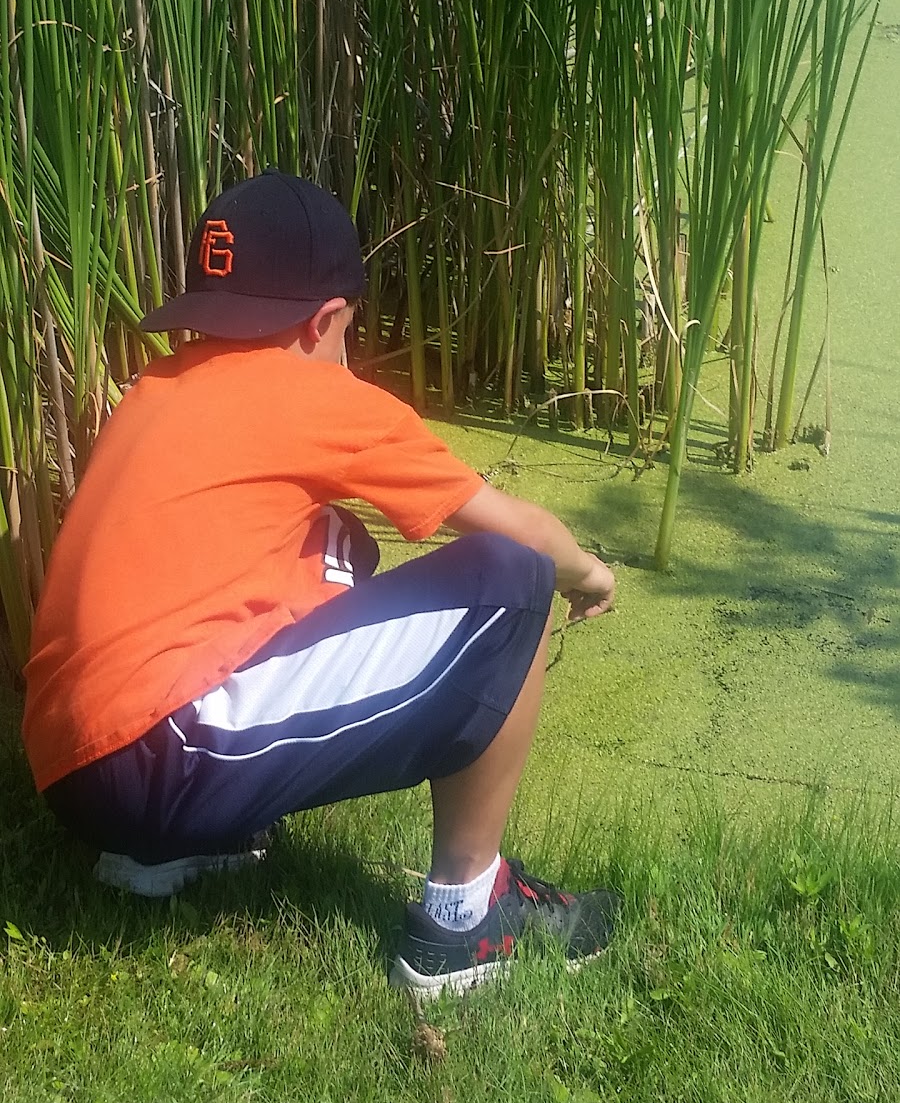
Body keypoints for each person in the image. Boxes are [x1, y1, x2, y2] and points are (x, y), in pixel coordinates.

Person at [23, 169, 618, 995]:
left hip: (67, 767)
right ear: (327, 320)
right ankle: (465, 921)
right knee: (513, 582)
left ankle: (173, 847)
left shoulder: (154, 387)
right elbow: (523, 534)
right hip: (154, 760)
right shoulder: (316, 394)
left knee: (338, 546)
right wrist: (590, 572)